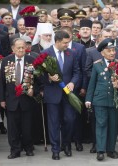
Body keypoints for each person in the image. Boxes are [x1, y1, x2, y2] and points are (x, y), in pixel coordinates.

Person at [41, 30, 80, 160]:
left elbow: (77, 72)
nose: (67, 45)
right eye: (65, 43)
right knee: (53, 122)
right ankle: (55, 149)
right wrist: (49, 78)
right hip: (52, 93)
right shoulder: (45, 54)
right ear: (57, 41)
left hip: (68, 93)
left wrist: (73, 83)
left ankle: (67, 144)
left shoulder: (72, 53)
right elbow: (39, 75)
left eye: (68, 42)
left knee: (70, 119)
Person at [85, 38, 118, 161]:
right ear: (102, 52)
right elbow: (92, 83)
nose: (112, 53)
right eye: (109, 50)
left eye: (113, 50)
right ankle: (100, 150)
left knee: (113, 125)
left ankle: (111, 150)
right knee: (101, 124)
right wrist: (88, 99)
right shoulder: (97, 65)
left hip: (114, 99)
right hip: (100, 99)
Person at [0, 38, 36, 159]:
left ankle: (28, 147)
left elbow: (39, 81)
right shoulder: (5, 61)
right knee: (13, 128)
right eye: (18, 47)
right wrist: (2, 99)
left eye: (23, 47)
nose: (21, 50)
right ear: (13, 48)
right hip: (11, 100)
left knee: (27, 127)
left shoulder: (32, 61)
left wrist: (33, 91)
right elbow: (2, 83)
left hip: (27, 100)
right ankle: (15, 149)